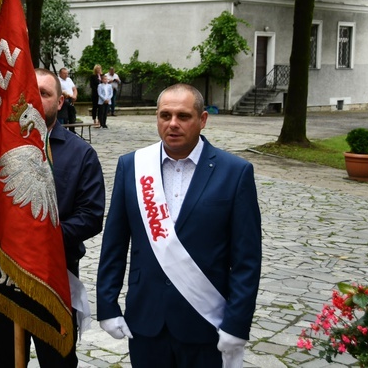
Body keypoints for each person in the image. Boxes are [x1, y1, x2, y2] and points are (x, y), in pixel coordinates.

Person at [96, 83, 261, 368]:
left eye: (183, 116)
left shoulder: (235, 172)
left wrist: (237, 323)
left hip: (205, 321)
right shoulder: (132, 166)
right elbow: (115, 243)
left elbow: (247, 260)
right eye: (165, 115)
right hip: (146, 320)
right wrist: (107, 305)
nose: (172, 124)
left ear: (203, 120)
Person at [0, 68, 106, 367]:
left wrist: (39, 238)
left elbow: (91, 216)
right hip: (2, 277)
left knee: (58, 362)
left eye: (45, 93)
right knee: (6, 360)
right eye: (31, 91)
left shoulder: (81, 154)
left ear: (60, 102)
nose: (36, 98)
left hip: (55, 281)